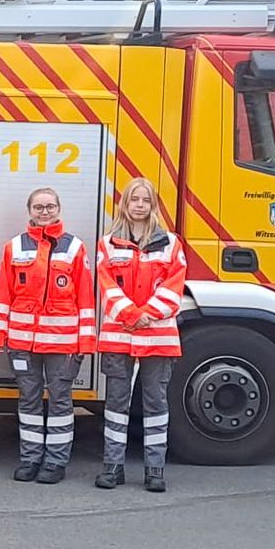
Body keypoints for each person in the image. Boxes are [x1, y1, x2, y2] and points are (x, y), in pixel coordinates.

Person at [0, 187, 93, 486]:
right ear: (30, 211)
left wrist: (86, 341)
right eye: (38, 207)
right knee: (29, 401)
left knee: (60, 402)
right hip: (23, 342)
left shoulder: (74, 248)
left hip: (62, 343)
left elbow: (85, 297)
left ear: (58, 209)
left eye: (49, 206)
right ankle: (30, 459)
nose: (44, 212)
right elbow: (4, 294)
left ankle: (56, 461)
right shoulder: (14, 247)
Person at [95, 177, 187, 494]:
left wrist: (147, 313)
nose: (139, 205)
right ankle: (112, 467)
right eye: (134, 199)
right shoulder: (108, 243)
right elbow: (106, 286)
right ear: (125, 203)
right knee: (116, 405)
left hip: (158, 338)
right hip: (120, 336)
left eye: (145, 200)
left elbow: (174, 287)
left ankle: (155, 470)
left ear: (153, 205)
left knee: (156, 405)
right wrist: (133, 315)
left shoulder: (171, 243)